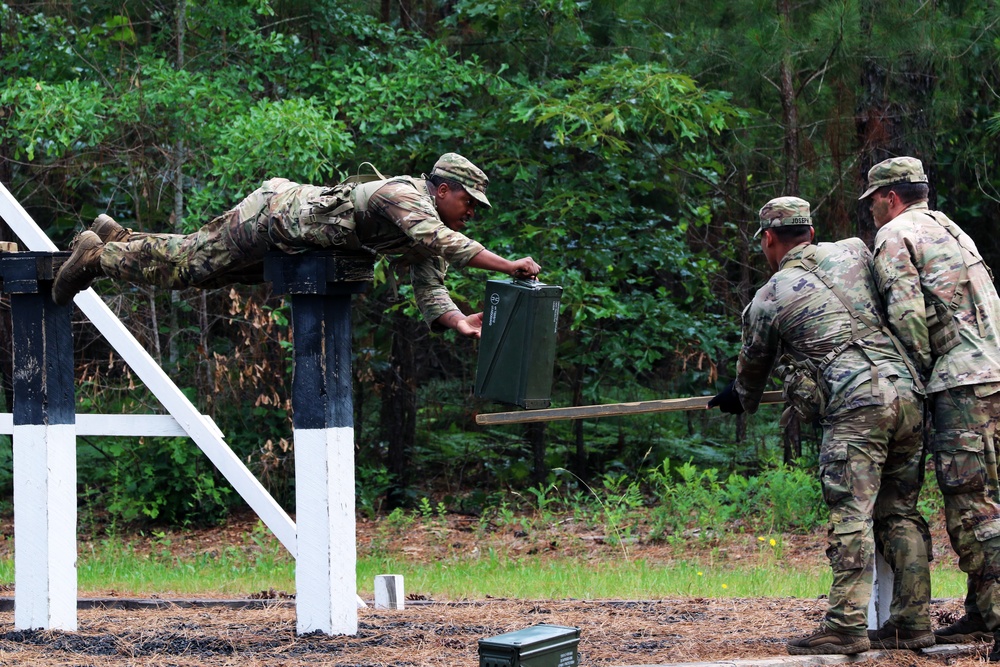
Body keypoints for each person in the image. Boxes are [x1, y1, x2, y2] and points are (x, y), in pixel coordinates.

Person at [708, 197, 932, 655]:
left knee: (852, 514)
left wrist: (737, 397)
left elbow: (749, 379)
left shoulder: (769, 296)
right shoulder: (853, 249)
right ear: (810, 231)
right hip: (907, 390)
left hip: (857, 405)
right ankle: (912, 622)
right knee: (900, 511)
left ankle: (847, 625)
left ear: (768, 239)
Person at [52, 153, 541, 338]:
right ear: (442, 189)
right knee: (190, 267)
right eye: (469, 200)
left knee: (204, 268)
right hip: (273, 217)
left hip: (290, 243)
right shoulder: (404, 196)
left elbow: (431, 289)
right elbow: (444, 240)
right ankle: (94, 255)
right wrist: (508, 265)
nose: (472, 210)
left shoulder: (425, 229)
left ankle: (118, 238)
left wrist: (459, 320)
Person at [862, 156, 1000, 658]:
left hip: (961, 384)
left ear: (891, 197)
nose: (872, 211)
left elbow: (906, 316)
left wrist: (913, 374)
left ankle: (997, 618)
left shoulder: (897, 232)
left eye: (873, 201)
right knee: (990, 496)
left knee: (971, 506)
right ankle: (985, 611)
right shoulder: (951, 228)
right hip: (993, 372)